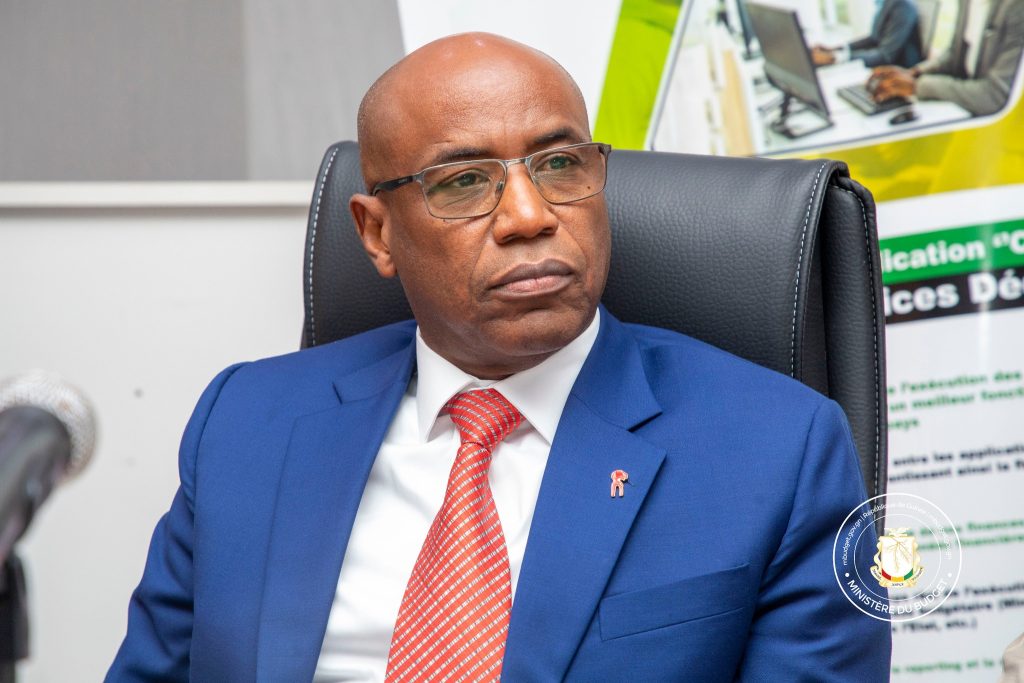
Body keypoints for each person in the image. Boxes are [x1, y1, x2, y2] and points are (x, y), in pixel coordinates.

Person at [106, 33, 891, 681]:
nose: (528, 215)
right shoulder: (246, 422)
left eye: (560, 165)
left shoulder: (777, 447)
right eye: (464, 182)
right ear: (377, 232)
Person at [870, 0, 1024, 115]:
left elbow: (996, 96)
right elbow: (955, 55)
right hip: (966, 112)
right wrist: (915, 73)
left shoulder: (1016, 7)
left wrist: (918, 86)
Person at [812, 0, 923, 68]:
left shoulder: (902, 5)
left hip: (897, 72)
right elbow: (874, 38)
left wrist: (837, 57)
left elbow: (885, 56)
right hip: (879, 66)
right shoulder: (886, 2)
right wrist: (836, 49)